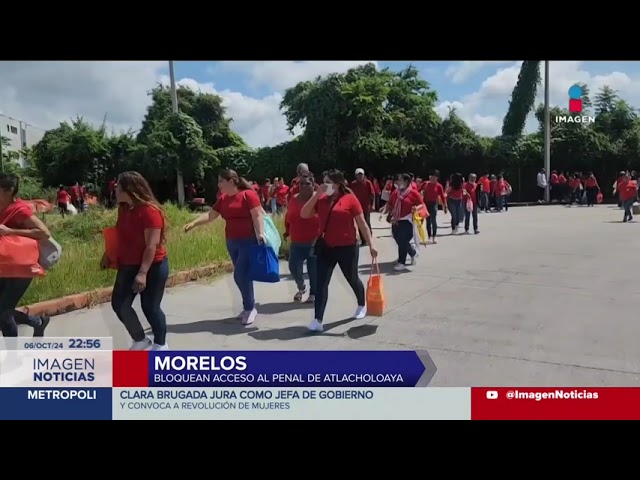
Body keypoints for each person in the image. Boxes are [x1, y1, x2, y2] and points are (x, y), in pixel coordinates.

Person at [300, 169, 377, 332]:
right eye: (323, 182)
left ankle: (361, 304)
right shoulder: (320, 199)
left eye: (328, 182)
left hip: (347, 247)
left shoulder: (350, 199)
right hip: (326, 247)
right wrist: (316, 194)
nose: (324, 185)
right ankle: (318, 319)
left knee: (352, 278)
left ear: (337, 184)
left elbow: (362, 223)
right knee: (321, 284)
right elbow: (304, 214)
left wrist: (371, 244)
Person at [184, 169, 264, 325]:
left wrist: (260, 234)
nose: (218, 184)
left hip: (249, 241)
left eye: (221, 181)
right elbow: (210, 215)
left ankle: (249, 308)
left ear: (231, 181)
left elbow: (257, 215)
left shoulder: (248, 195)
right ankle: (249, 306)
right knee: (244, 275)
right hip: (232, 241)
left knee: (240, 275)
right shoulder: (223, 199)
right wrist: (193, 223)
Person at [102, 172, 169, 351]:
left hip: (152, 265)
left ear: (129, 189)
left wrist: (142, 273)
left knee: (150, 307)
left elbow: (151, 246)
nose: (115, 189)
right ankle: (140, 339)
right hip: (128, 264)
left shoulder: (150, 212)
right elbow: (119, 234)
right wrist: (108, 254)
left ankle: (161, 345)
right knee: (119, 304)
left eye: (118, 187)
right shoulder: (124, 208)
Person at [0, 173, 51, 338]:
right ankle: (37, 322)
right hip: (3, 266)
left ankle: (13, 359)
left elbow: (44, 232)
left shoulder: (19, 209)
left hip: (21, 268)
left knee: (3, 312)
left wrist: (10, 231)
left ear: (9, 190)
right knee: (3, 312)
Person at [284, 175, 318, 303]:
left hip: (314, 241)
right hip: (297, 240)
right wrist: (287, 230)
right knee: (293, 266)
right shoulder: (293, 199)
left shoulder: (318, 198)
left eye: (307, 184)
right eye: (301, 184)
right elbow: (289, 216)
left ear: (313, 185)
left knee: (313, 269)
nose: (304, 186)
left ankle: (313, 293)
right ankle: (301, 287)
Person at [385, 173, 424, 271]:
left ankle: (401, 262)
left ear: (406, 182)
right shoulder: (395, 193)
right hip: (396, 219)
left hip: (407, 220)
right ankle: (412, 253)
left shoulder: (413, 193)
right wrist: (386, 211)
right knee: (398, 239)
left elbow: (421, 204)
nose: (398, 182)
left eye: (400, 180)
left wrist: (416, 208)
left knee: (402, 240)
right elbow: (390, 204)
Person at [350, 168, 375, 246]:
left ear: (364, 175)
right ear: (356, 176)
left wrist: (373, 204)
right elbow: (351, 195)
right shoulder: (353, 184)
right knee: (359, 222)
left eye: (361, 175)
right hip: (357, 206)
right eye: (358, 175)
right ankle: (363, 240)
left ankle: (369, 237)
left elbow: (372, 194)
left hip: (366, 206)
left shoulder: (368, 183)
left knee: (367, 222)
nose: (360, 177)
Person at [421, 170, 447, 243]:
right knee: (428, 220)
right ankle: (429, 235)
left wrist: (445, 206)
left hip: (434, 203)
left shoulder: (439, 186)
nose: (432, 178)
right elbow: (418, 191)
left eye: (434, 177)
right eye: (431, 177)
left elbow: (442, 196)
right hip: (425, 203)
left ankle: (434, 236)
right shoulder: (425, 184)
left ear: (436, 178)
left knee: (433, 219)